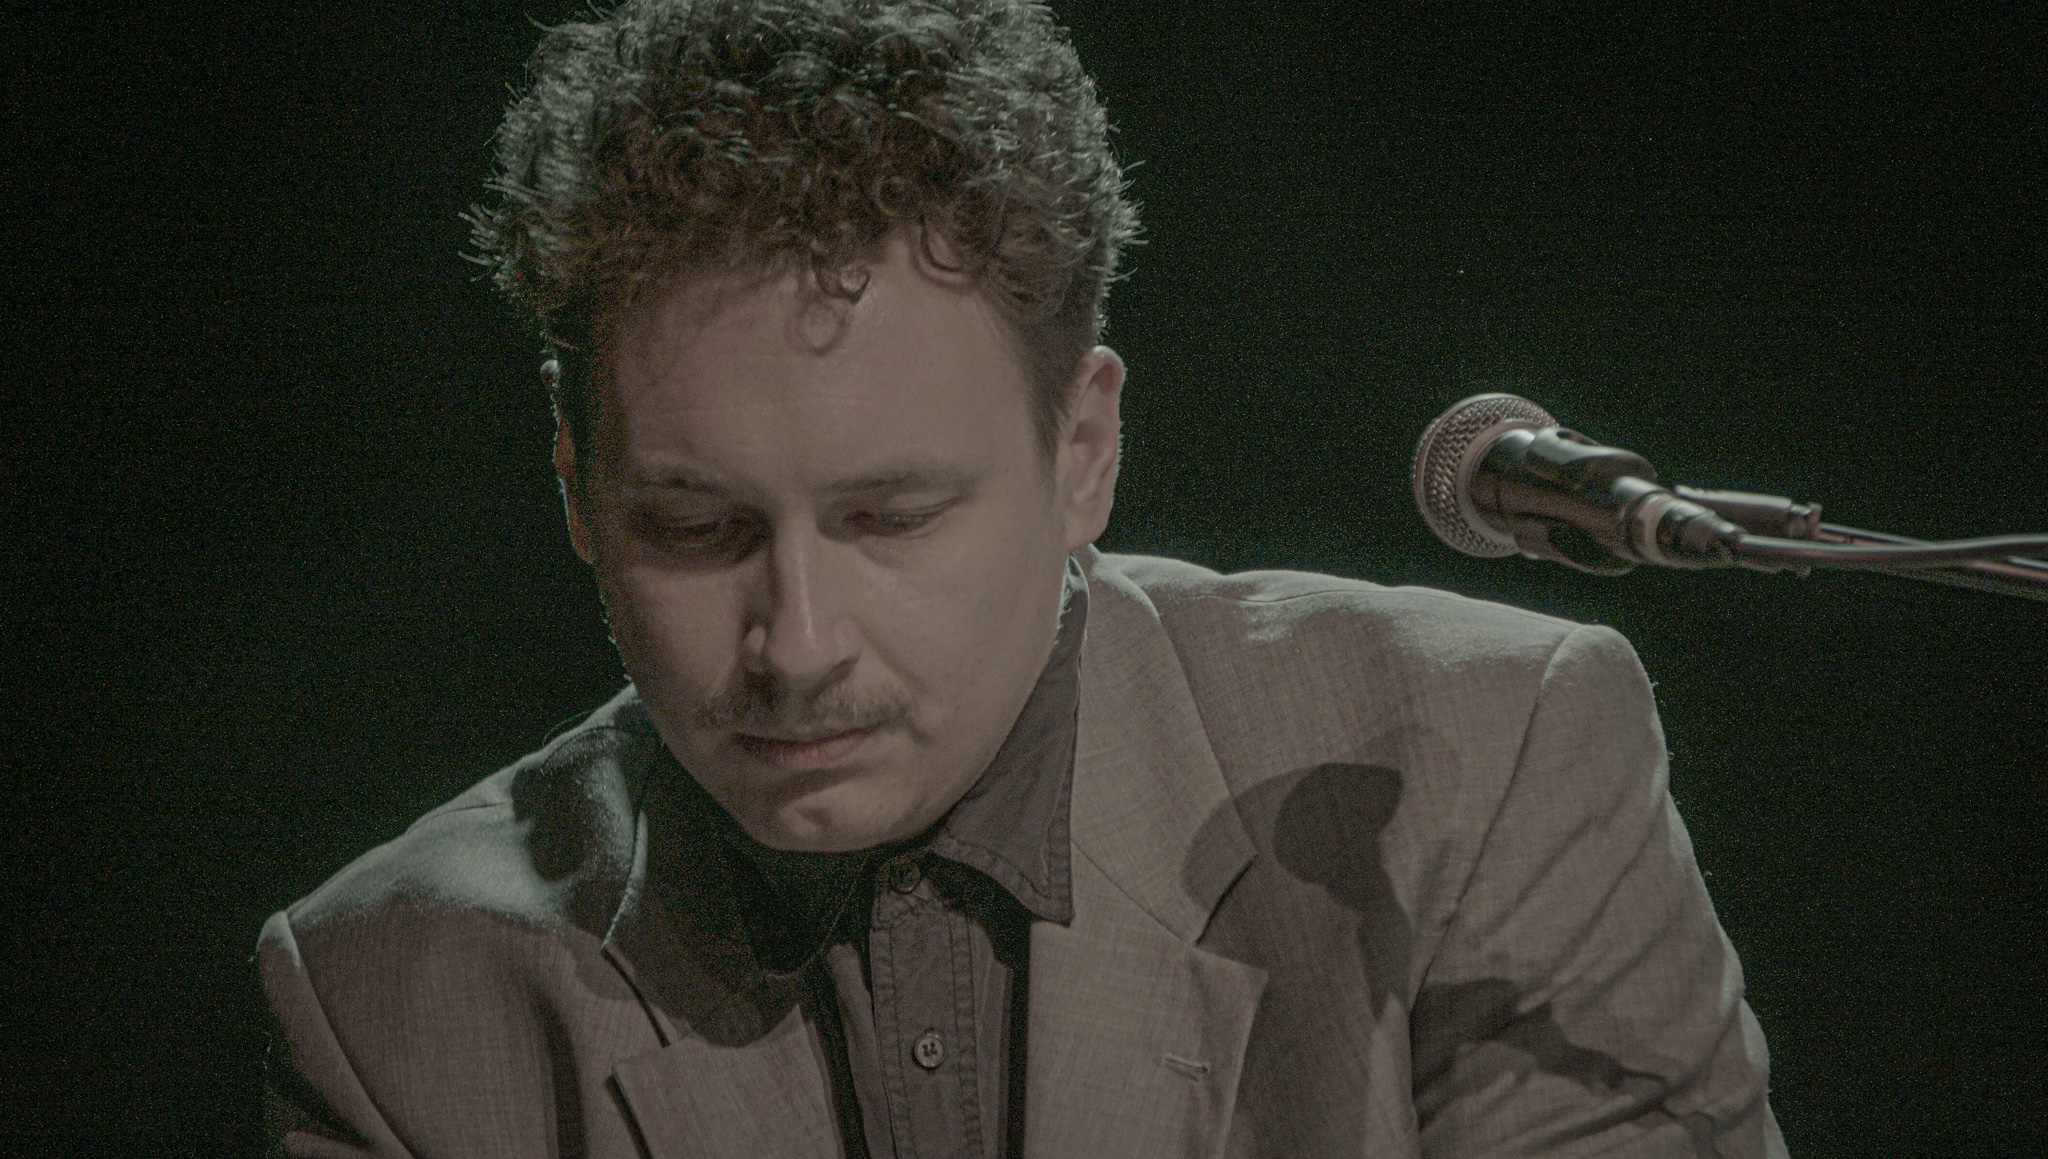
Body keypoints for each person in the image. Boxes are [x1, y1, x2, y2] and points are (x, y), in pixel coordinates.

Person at [256, 1, 1786, 1155]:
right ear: (573, 485)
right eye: (698, 529)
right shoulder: (390, 1004)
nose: (795, 645)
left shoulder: (1478, 767)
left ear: (1084, 453)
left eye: (889, 517)